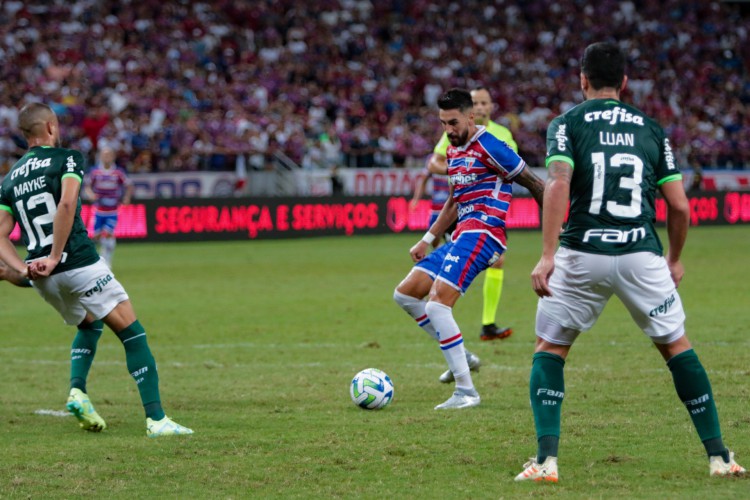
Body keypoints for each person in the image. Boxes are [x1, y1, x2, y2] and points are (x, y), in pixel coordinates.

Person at [515, 42, 744, 482]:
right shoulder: (651, 129)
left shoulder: (566, 124)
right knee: (677, 346)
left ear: (582, 80)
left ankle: (546, 462)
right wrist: (674, 260)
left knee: (550, 350)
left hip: (583, 254)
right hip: (642, 254)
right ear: (624, 82)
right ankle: (719, 457)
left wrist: (547, 256)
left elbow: (558, 184)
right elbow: (679, 207)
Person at [0, 102, 192, 437]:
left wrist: (24, 268)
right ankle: (157, 421)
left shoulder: (10, 178)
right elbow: (67, 203)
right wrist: (57, 255)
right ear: (49, 127)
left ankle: (77, 390)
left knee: (89, 326)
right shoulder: (68, 158)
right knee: (134, 336)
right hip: (75, 260)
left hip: (44, 277)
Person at [393, 88, 544, 409]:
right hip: (460, 233)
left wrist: (554, 236)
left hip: (485, 233)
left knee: (437, 306)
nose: (448, 130)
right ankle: (462, 356)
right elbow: (453, 201)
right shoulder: (453, 150)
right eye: (443, 123)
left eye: (454, 122)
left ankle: (466, 391)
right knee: (405, 294)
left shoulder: (492, 146)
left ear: (470, 116)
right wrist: (428, 238)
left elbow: (534, 183)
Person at [427, 87, 518, 345]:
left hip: (488, 210)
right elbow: (433, 162)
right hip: (461, 207)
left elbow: (510, 165)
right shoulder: (454, 131)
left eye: (484, 103)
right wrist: (458, 168)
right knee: (451, 264)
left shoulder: (502, 134)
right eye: (475, 102)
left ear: (491, 106)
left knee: (497, 261)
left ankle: (487, 323)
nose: (479, 107)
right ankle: (442, 313)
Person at [83, 146, 133, 267]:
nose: (107, 157)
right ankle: (98, 258)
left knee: (109, 233)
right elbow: (87, 186)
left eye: (109, 155)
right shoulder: (95, 171)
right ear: (100, 156)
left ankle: (107, 261)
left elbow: (129, 185)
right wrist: (90, 195)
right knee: (96, 236)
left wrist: (127, 198)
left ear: (113, 157)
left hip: (113, 210)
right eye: (104, 155)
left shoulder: (118, 172)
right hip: (98, 209)